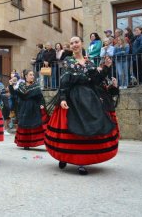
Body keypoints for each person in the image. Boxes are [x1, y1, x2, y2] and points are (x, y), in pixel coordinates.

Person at [45, 36, 120, 175]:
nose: (74, 45)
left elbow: (95, 81)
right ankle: (64, 156)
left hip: (89, 98)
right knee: (71, 127)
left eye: (76, 42)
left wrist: (106, 68)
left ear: (81, 44)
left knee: (87, 127)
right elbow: (64, 80)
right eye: (72, 42)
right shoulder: (68, 61)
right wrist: (62, 98)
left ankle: (81, 161)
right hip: (73, 97)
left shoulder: (90, 62)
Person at [10, 69, 46, 149]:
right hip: (24, 108)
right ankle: (25, 143)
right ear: (26, 76)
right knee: (24, 125)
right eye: (30, 75)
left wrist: (42, 104)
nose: (32, 76)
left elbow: (40, 97)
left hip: (34, 108)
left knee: (34, 124)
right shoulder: (21, 85)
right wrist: (11, 86)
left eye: (33, 75)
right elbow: (15, 94)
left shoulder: (36, 85)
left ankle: (35, 142)